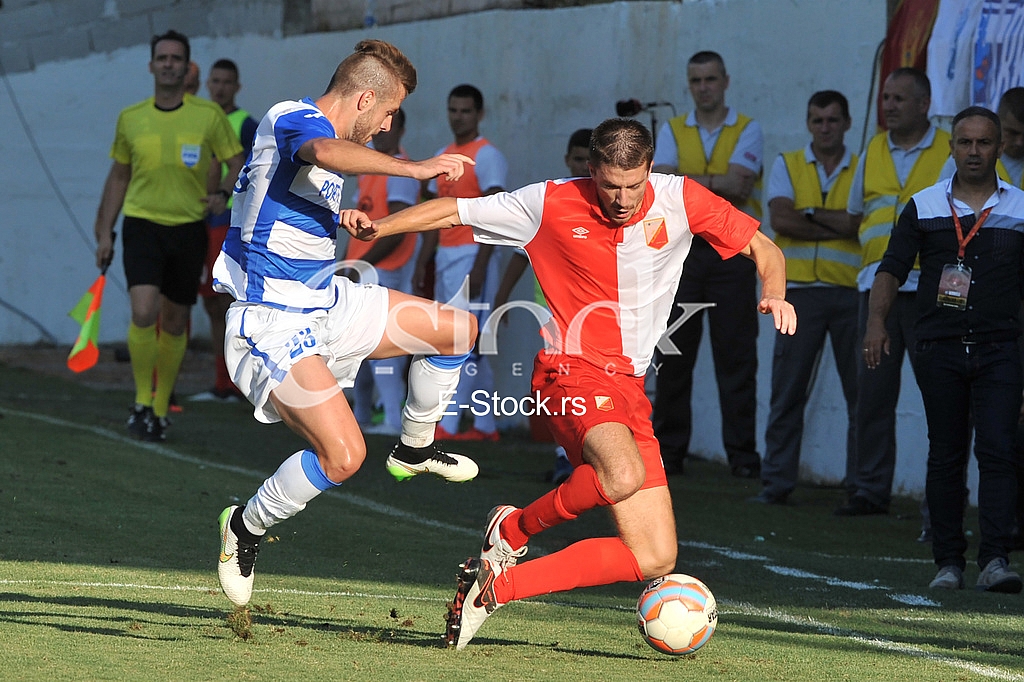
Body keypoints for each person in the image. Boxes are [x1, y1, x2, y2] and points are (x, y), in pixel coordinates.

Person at [346, 117, 796, 649]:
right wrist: (380, 228)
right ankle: (513, 531)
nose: (624, 199)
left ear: (650, 170)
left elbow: (766, 249)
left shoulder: (681, 198)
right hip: (569, 370)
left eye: (634, 185)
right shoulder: (548, 201)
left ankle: (492, 590)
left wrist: (775, 292)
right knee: (622, 474)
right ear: (591, 170)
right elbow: (454, 210)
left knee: (653, 557)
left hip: (630, 385)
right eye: (610, 185)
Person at [211, 39, 481, 608]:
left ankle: (413, 448)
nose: (386, 127)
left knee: (458, 330)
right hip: (272, 321)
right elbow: (324, 152)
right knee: (344, 457)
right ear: (363, 99)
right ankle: (245, 526)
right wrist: (414, 166)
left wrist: (340, 215)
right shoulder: (292, 118)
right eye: (387, 113)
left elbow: (285, 191)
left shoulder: (321, 145)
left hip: (328, 302)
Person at [865, 106, 1024, 592]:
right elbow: (891, 268)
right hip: (940, 348)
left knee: (998, 451)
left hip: (1001, 348)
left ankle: (995, 560)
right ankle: (948, 563)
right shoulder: (924, 205)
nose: (974, 151)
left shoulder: (1019, 206)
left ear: (999, 148)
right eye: (965, 142)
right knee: (946, 453)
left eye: (984, 142)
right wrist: (876, 323)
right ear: (951, 148)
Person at [93, 30, 245, 442]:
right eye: (162, 57)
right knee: (144, 312)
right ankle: (142, 401)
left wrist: (223, 193)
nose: (169, 64)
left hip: (188, 228)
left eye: (176, 58)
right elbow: (118, 175)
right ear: (151, 65)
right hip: (141, 224)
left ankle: (160, 409)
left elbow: (237, 161)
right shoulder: (131, 117)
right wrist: (104, 230)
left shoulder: (208, 116)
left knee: (175, 322)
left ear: (186, 66)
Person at [842, 68, 951, 518]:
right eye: (885, 96)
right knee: (873, 395)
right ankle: (868, 490)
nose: (887, 105)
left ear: (924, 104)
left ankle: (941, 498)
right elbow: (855, 214)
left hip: (931, 291)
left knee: (943, 398)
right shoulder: (872, 149)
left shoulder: (953, 146)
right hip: (877, 291)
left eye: (899, 98)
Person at [650, 50, 764, 478]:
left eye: (711, 79)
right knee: (675, 355)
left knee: (736, 357)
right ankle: (670, 454)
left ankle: (742, 458)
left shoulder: (747, 128)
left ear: (725, 81)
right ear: (689, 84)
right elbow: (661, 185)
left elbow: (740, 184)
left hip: (732, 252)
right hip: (683, 253)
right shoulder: (674, 129)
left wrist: (687, 182)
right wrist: (712, 186)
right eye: (696, 80)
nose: (704, 87)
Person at [756, 91, 861, 505]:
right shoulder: (788, 163)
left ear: (847, 123)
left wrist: (810, 215)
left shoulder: (862, 166)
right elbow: (781, 219)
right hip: (797, 294)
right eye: (817, 120)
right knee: (787, 391)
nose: (825, 127)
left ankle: (862, 490)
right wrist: (835, 223)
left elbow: (861, 223)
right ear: (808, 122)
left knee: (861, 395)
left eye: (832, 120)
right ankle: (776, 484)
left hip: (850, 290)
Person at [492, 127, 593, 485]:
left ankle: (590, 457)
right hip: (553, 314)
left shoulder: (607, 203)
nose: (584, 165)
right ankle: (565, 457)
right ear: (567, 159)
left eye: (589, 159)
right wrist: (499, 301)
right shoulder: (551, 201)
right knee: (563, 387)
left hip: (598, 316)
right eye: (578, 158)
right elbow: (520, 256)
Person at [414, 84, 508, 442]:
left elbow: (496, 215)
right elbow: (433, 214)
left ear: (479, 114)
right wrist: (426, 260)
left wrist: (482, 264)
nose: (458, 116)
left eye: (466, 111)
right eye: (453, 110)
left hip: (472, 255)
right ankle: (486, 426)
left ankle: (449, 424)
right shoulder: (443, 154)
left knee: (463, 340)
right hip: (446, 257)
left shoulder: (487, 156)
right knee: (466, 339)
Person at [343, 107, 421, 436]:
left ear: (402, 130)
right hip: (364, 269)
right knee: (355, 346)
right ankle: (361, 415)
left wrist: (364, 263)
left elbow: (399, 229)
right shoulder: (370, 162)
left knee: (382, 347)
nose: (383, 131)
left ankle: (392, 418)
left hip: (384, 270)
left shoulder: (400, 170)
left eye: (391, 126)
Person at [190, 58, 259, 403]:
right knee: (210, 305)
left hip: (230, 223)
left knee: (229, 302)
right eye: (214, 81)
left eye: (226, 82)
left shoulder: (246, 125)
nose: (219, 87)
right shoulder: (199, 118)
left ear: (237, 87)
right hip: (199, 219)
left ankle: (238, 384)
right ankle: (222, 383)